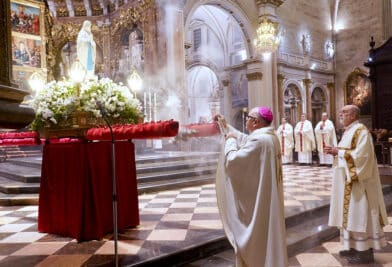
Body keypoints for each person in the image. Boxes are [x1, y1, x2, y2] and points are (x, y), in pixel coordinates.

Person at [215, 106, 288, 267]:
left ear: (255, 122)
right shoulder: (270, 136)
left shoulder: (260, 140)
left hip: (261, 200)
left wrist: (230, 141)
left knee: (259, 236)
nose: (246, 119)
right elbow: (246, 140)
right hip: (269, 197)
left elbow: (233, 161)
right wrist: (225, 127)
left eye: (248, 117)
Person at [324, 105, 388, 264]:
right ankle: (352, 246)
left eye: (344, 112)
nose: (340, 114)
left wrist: (337, 152)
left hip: (358, 184)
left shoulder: (361, 131)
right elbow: (345, 152)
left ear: (353, 115)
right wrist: (335, 150)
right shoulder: (349, 131)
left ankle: (365, 251)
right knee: (349, 215)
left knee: (359, 214)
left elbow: (362, 157)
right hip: (346, 182)